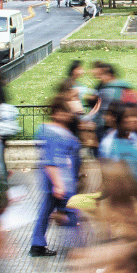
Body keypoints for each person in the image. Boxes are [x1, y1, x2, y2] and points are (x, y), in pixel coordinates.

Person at [29, 95, 81, 257]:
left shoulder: (52, 131)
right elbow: (52, 160)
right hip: (61, 181)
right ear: (57, 113)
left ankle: (37, 244)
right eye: (66, 112)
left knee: (46, 211)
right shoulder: (54, 133)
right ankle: (75, 248)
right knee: (71, 212)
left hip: (56, 181)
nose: (69, 116)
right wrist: (59, 184)